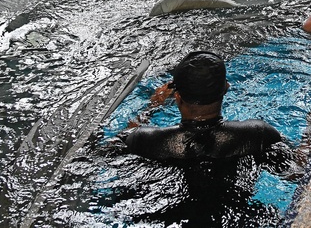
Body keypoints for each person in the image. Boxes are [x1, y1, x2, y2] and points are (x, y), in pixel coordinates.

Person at [122, 51, 297, 225]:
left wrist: (151, 106)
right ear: (226, 88)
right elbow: (296, 174)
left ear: (177, 96)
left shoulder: (142, 140)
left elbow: (116, 144)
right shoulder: (258, 135)